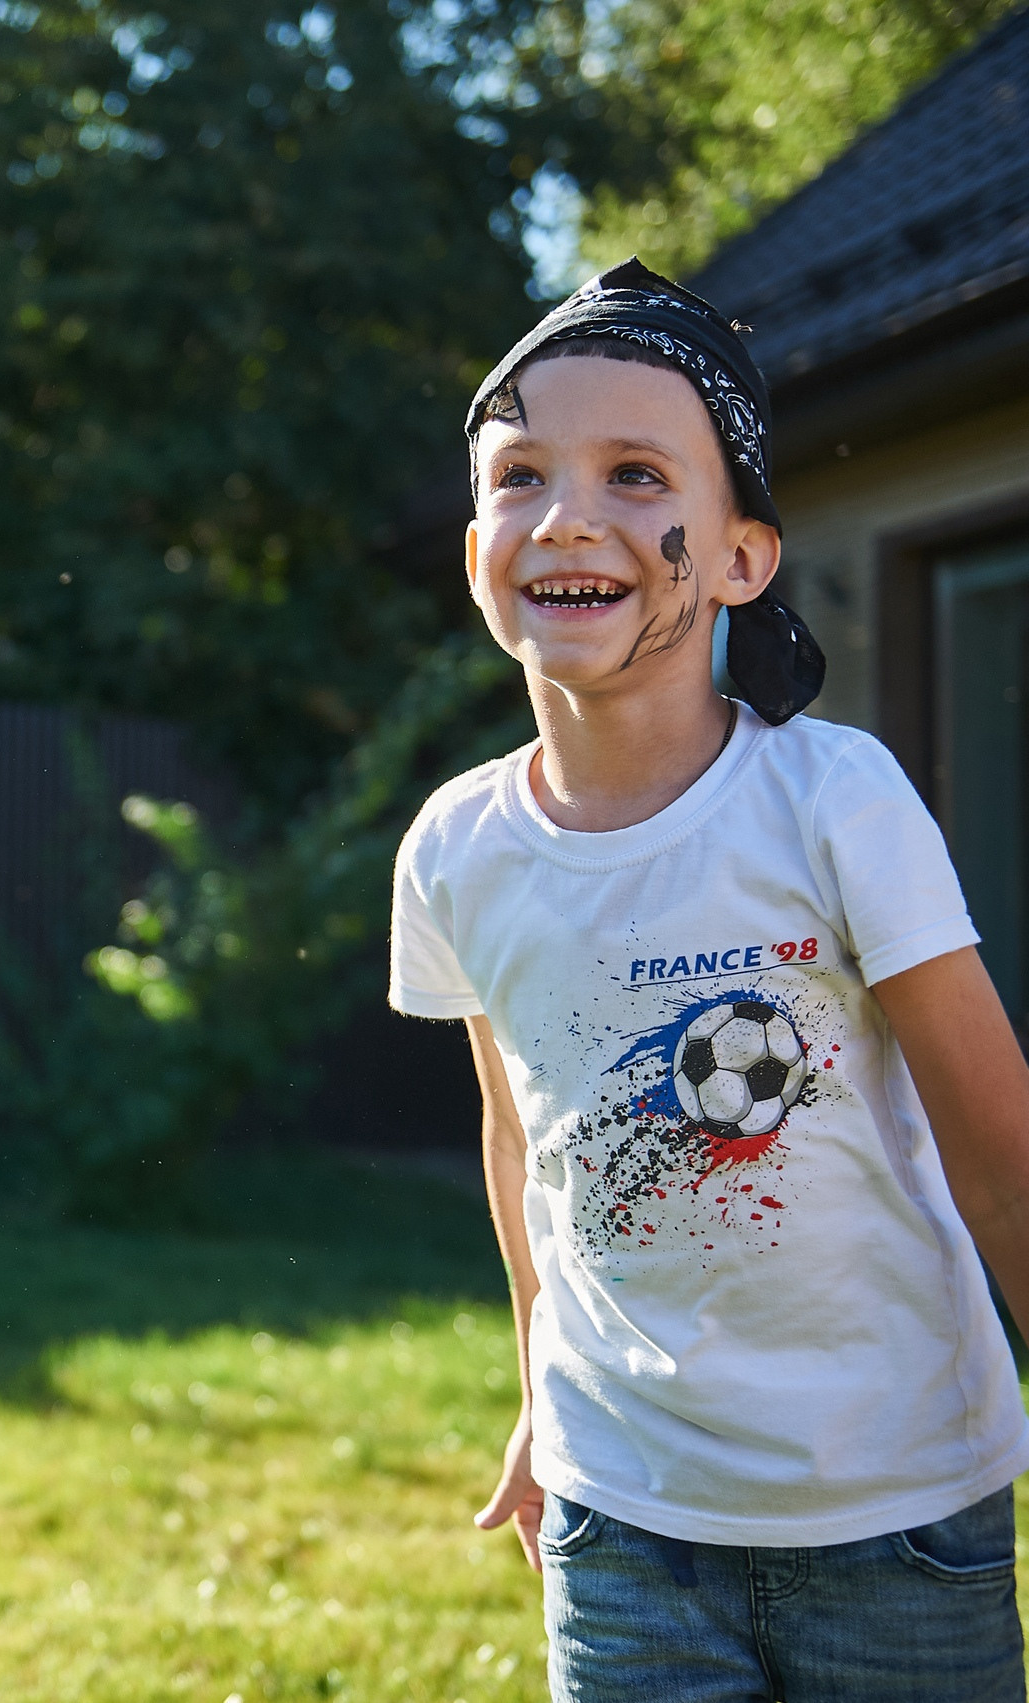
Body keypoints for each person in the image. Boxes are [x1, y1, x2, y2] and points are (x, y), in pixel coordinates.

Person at [391, 259, 1029, 1699]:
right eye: (520, 475)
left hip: (898, 1512)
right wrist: (538, 1390)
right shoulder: (456, 848)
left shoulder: (832, 799)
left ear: (741, 555)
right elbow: (526, 1141)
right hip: (628, 1523)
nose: (568, 515)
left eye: (634, 473)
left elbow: (1001, 1159)